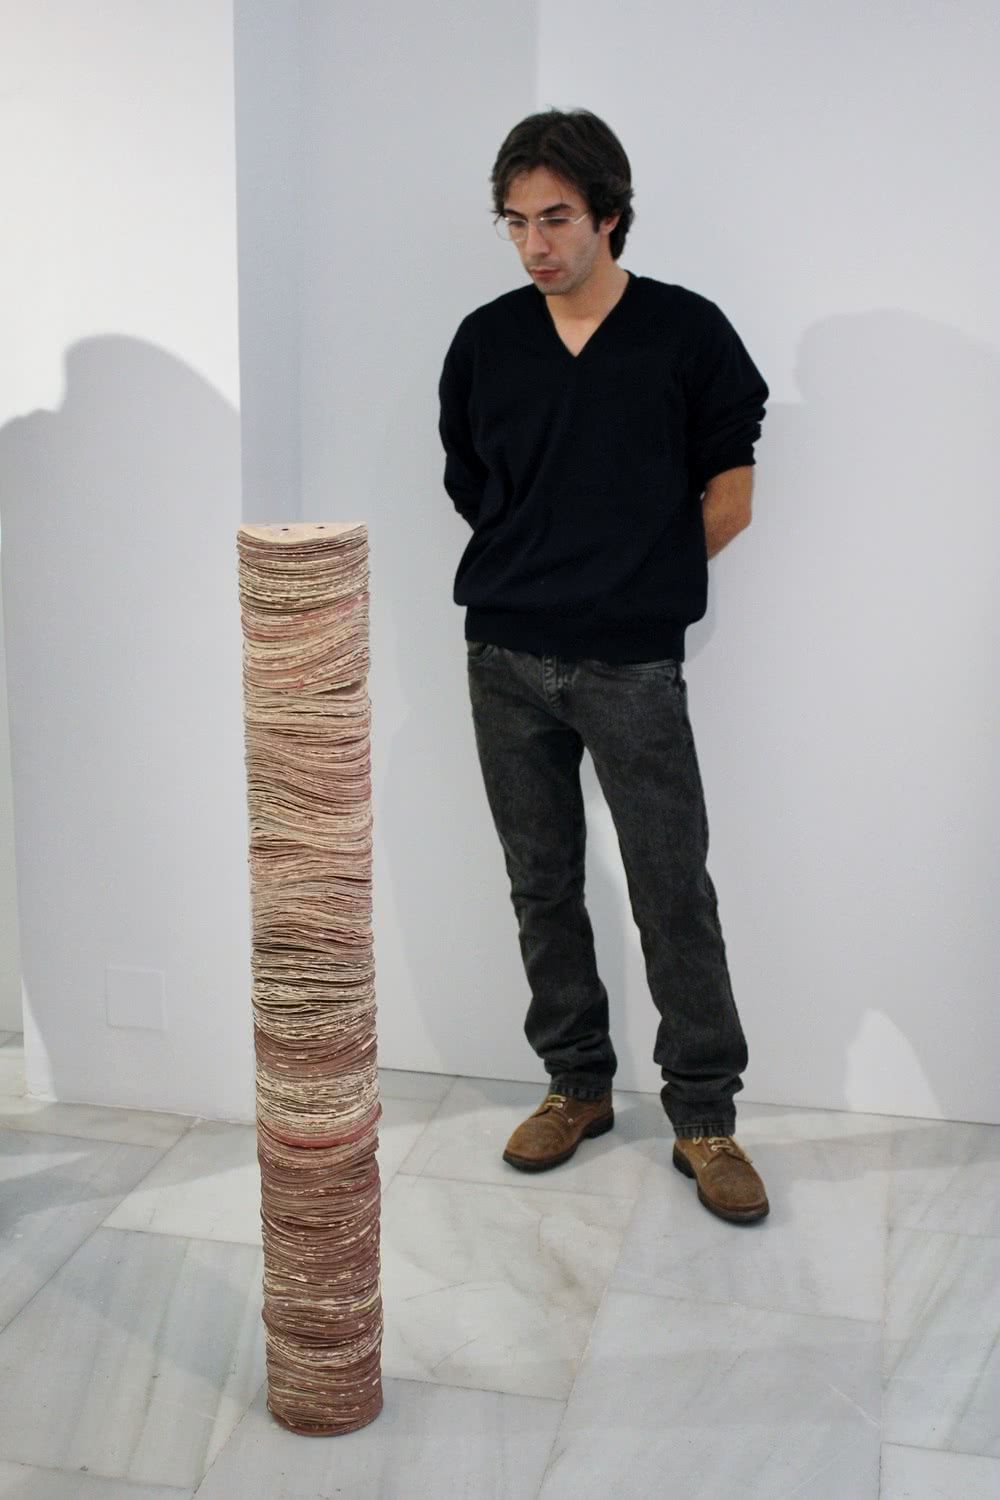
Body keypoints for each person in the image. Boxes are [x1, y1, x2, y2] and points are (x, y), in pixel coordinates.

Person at [437, 108, 770, 1225]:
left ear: (610, 215)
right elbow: (472, 482)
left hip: (630, 663)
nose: (535, 244)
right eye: (515, 222)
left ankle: (705, 1117)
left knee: (672, 888)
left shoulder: (686, 332)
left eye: (557, 218)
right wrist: (541, 565)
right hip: (505, 655)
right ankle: (575, 1085)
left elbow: (731, 492)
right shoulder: (486, 340)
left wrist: (635, 578)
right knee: (542, 884)